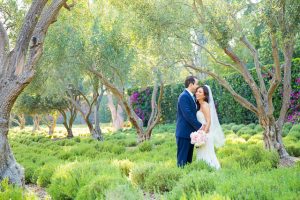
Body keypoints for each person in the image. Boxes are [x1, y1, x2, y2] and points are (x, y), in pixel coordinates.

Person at [194, 85, 225, 169]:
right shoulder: (199, 105)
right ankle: (204, 170)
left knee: (208, 154)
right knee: (202, 154)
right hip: (201, 134)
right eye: (197, 91)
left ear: (204, 95)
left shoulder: (204, 105)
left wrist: (203, 134)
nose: (197, 93)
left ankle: (213, 170)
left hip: (206, 134)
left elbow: (208, 121)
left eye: (200, 92)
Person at [176, 76, 203, 167]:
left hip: (191, 134)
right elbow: (188, 115)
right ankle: (180, 179)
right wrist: (200, 127)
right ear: (191, 84)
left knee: (188, 161)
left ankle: (186, 178)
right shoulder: (184, 96)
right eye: (197, 84)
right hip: (184, 133)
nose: (198, 86)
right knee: (182, 161)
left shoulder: (191, 96)